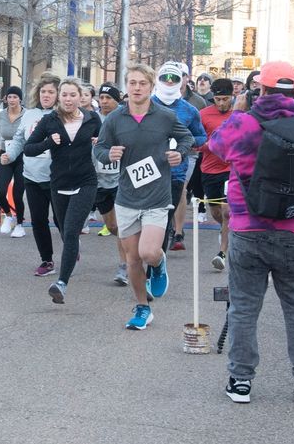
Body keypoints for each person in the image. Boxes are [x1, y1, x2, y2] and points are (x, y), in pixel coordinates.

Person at [207, 61, 294, 405]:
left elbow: (216, 146)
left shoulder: (244, 123)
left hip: (247, 230)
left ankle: (241, 381)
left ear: (260, 89)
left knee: (243, 308)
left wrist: (241, 112)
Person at [93, 64, 194, 330]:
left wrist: (179, 154)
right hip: (127, 197)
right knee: (132, 260)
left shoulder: (165, 116)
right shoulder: (116, 118)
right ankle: (142, 308)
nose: (137, 88)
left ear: (151, 86)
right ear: (127, 86)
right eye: (132, 83)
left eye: (142, 83)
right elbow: (100, 148)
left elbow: (187, 138)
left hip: (156, 196)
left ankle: (159, 264)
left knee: (148, 252)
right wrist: (109, 154)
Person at [24, 77, 102, 304]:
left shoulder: (92, 119)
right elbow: (29, 149)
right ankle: (71, 254)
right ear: (60, 96)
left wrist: (100, 142)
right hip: (58, 183)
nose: (68, 99)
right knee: (64, 230)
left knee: (70, 232)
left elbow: (109, 140)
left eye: (72, 95)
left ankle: (61, 283)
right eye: (64, 95)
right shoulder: (50, 120)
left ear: (81, 97)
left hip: (85, 182)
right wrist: (48, 142)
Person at [4, 74, 61, 276]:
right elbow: (19, 139)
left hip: (57, 177)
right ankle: (47, 260)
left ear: (58, 95)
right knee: (38, 220)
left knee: (61, 220)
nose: (46, 95)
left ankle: (72, 248)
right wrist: (10, 155)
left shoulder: (63, 114)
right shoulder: (29, 115)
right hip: (32, 175)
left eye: (51, 92)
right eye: (43, 91)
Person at [151, 61, 207, 253]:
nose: (168, 82)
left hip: (176, 172)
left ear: (180, 81)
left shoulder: (189, 110)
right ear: (157, 80)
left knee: (166, 217)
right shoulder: (145, 104)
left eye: (173, 78)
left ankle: (159, 262)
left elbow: (201, 136)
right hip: (147, 170)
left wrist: (184, 143)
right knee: (146, 218)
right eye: (164, 78)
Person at [197, 78, 236, 271]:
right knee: (216, 212)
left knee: (228, 212)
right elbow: (196, 142)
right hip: (209, 169)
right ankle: (227, 231)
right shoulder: (203, 114)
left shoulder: (238, 114)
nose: (221, 103)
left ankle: (222, 252)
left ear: (232, 97)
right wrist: (210, 145)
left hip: (231, 169)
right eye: (218, 99)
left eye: (225, 99)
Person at [93, 83, 128, 284]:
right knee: (113, 226)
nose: (104, 102)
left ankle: (125, 266)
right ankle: (133, 245)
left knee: (122, 226)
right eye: (102, 98)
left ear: (117, 100)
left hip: (121, 179)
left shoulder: (125, 118)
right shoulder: (93, 118)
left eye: (108, 98)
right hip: (99, 178)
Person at [0, 85, 27, 238]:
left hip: (22, 156)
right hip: (5, 154)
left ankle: (19, 224)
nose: (12, 100)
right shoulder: (1, 115)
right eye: (9, 97)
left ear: (20, 99)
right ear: (6, 99)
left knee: (17, 193)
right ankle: (8, 215)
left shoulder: (27, 115)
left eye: (15, 97)